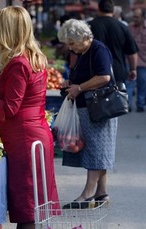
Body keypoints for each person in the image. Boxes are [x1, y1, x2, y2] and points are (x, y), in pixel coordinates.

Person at [0, 6, 59, 229]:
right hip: (34, 135)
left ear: (9, 30)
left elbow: (10, 107)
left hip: (24, 138)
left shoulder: (18, 63)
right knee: (33, 203)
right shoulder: (32, 57)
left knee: (27, 207)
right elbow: (15, 91)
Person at [57, 18, 116, 209]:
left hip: (98, 110)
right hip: (89, 108)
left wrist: (79, 87)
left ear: (83, 37)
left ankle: (87, 194)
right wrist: (70, 83)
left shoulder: (98, 50)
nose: (70, 48)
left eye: (72, 43)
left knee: (97, 151)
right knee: (99, 150)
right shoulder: (83, 52)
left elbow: (104, 77)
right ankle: (102, 193)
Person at [88, 0, 138, 111]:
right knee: (114, 107)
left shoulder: (90, 26)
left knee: (95, 106)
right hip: (117, 72)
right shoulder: (122, 26)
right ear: (113, 10)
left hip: (94, 72)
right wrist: (133, 69)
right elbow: (132, 52)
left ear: (99, 9)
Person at [129, 8, 146, 112]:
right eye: (134, 16)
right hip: (130, 60)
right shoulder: (129, 27)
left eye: (137, 17)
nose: (134, 19)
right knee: (129, 83)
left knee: (142, 83)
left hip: (143, 61)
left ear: (143, 17)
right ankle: (128, 104)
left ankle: (140, 103)